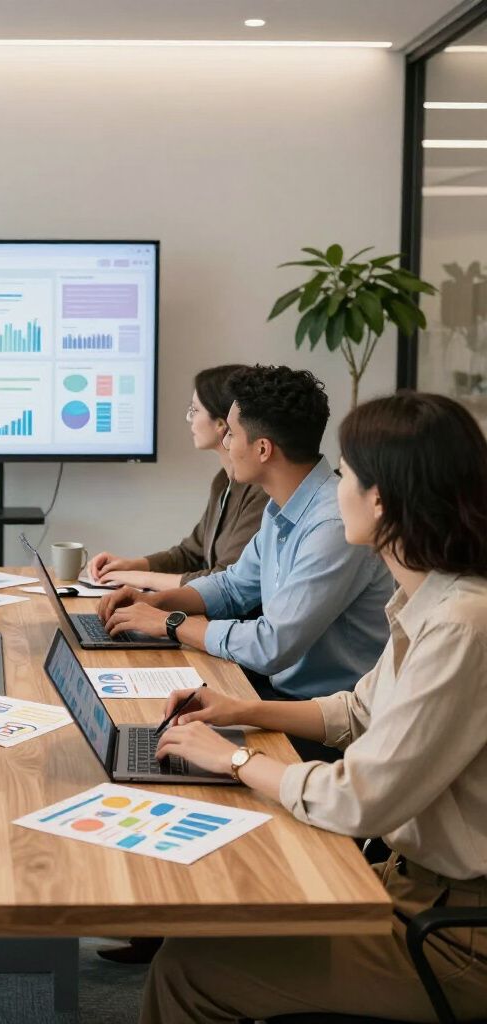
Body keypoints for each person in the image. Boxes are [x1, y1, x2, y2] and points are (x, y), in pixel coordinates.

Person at [142, 391, 487, 1022]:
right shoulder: (432, 602)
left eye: (348, 474)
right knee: (229, 909)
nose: (336, 487)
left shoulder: (464, 625)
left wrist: (237, 760)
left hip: (454, 934)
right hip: (414, 886)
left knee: (189, 966)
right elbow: (356, 711)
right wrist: (235, 710)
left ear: (381, 501)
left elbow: (360, 799)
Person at [100, 365, 394, 707]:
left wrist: (170, 623)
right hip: (281, 692)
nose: (225, 443)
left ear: (263, 449)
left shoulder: (332, 524)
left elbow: (272, 646)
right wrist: (153, 602)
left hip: (325, 716)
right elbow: (233, 586)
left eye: (232, 435)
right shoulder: (281, 507)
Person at [88, 365, 267, 590]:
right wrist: (130, 566)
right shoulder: (223, 481)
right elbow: (191, 554)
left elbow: (224, 580)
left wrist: (140, 579)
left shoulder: (261, 492)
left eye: (194, 410)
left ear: (223, 423)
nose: (189, 418)